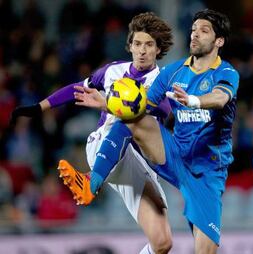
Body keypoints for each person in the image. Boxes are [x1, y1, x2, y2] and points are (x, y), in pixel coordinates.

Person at [74, 9, 239, 254]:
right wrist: (107, 103)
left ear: (219, 41)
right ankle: (92, 181)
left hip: (207, 171)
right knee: (133, 119)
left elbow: (219, 98)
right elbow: (140, 109)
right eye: (193, 29)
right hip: (175, 154)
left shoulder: (226, 73)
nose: (195, 35)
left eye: (203, 31)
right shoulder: (173, 72)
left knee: (204, 251)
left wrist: (193, 101)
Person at [11, 12, 173, 254]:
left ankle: (93, 181)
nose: (142, 50)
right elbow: (78, 89)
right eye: (137, 43)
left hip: (136, 162)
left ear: (158, 49)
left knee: (162, 243)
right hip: (103, 146)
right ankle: (90, 180)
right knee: (127, 121)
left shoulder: (163, 83)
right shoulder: (112, 72)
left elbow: (164, 110)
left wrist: (107, 102)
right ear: (129, 45)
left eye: (149, 45)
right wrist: (40, 107)